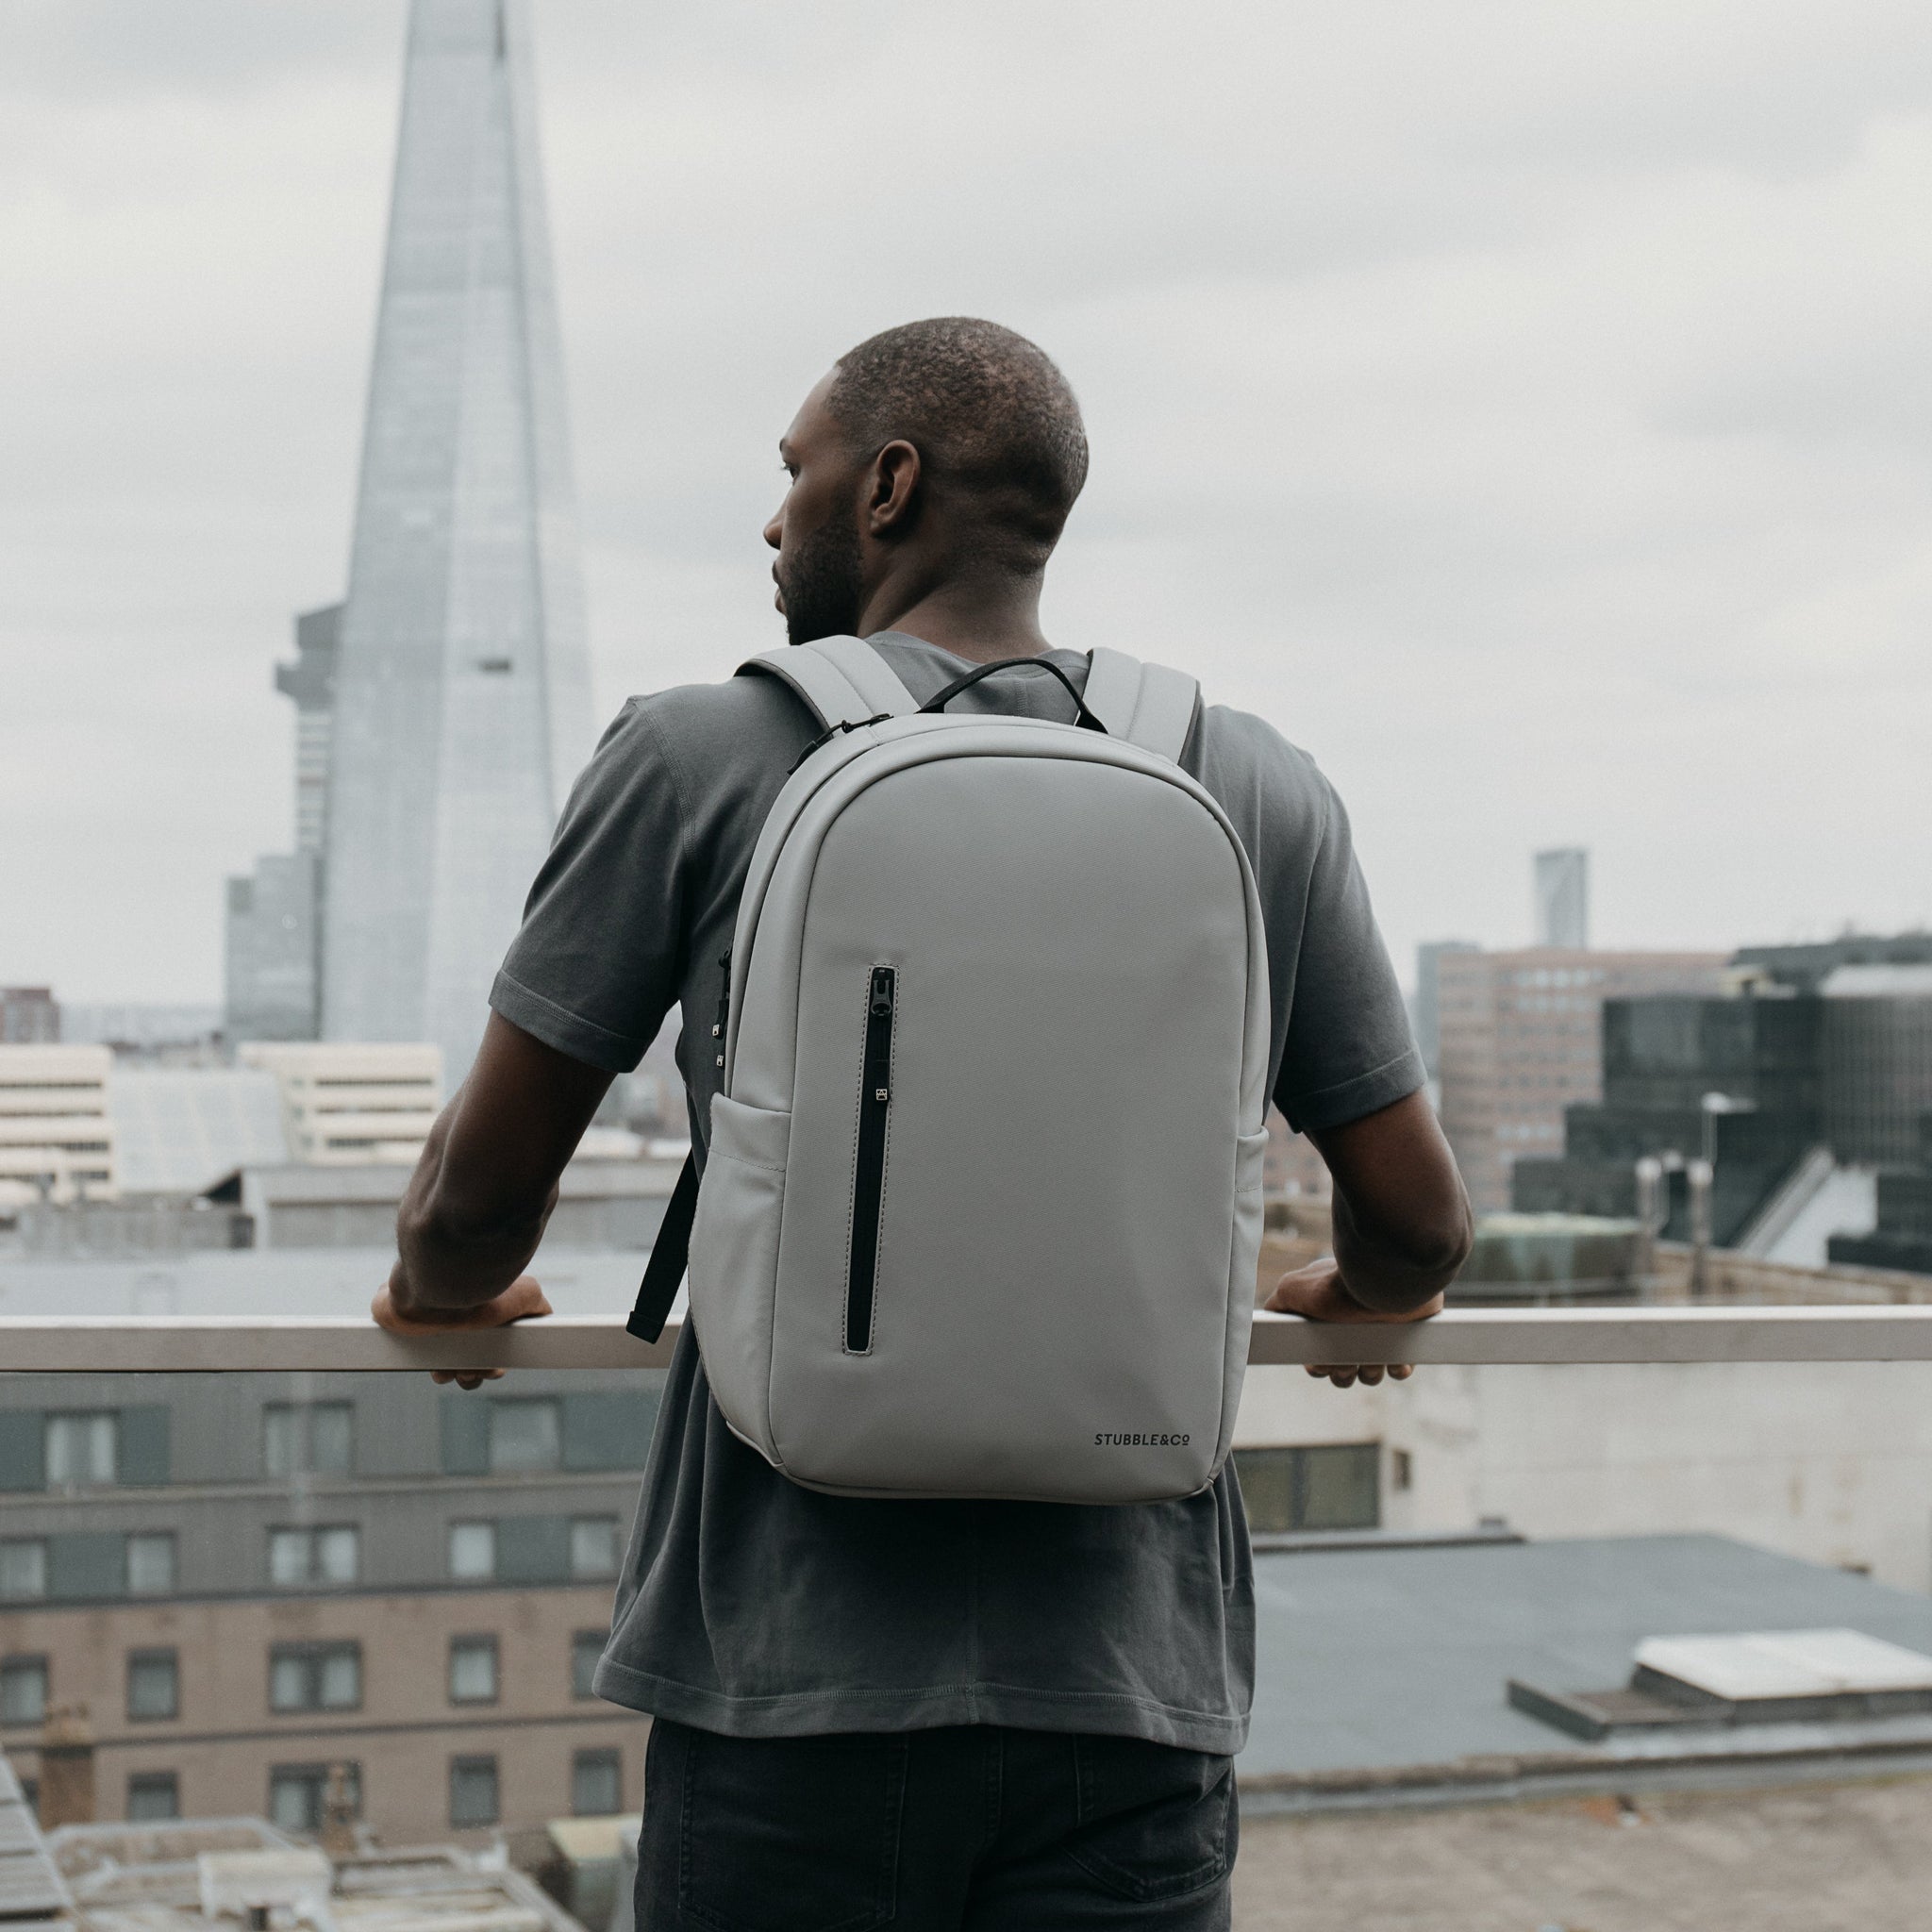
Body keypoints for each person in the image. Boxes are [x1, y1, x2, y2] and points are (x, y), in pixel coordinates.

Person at [373, 317, 1473, 1927]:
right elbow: (1422, 1222)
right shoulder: (1251, 781)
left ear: (884, 487)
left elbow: (476, 1205)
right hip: (1129, 1699)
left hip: (783, 1691)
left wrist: (441, 1302)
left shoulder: (696, 757)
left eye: (793, 472)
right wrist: (1368, 1302)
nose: (773, 518)